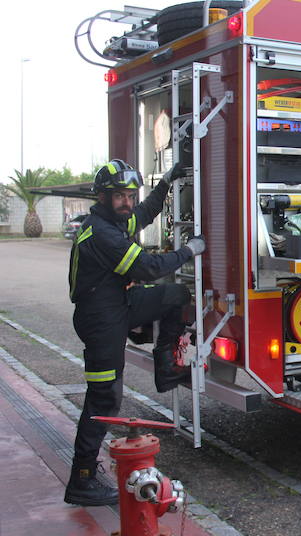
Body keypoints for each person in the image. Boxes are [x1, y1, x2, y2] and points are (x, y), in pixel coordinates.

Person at [64, 159, 206, 506]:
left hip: (118, 305)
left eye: (130, 194)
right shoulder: (101, 233)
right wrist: (189, 251)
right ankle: (82, 479)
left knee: (176, 295)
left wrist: (167, 181)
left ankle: (165, 363)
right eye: (119, 196)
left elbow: (144, 213)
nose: (127, 201)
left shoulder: (113, 220)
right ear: (102, 196)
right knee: (104, 398)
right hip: (101, 321)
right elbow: (146, 267)